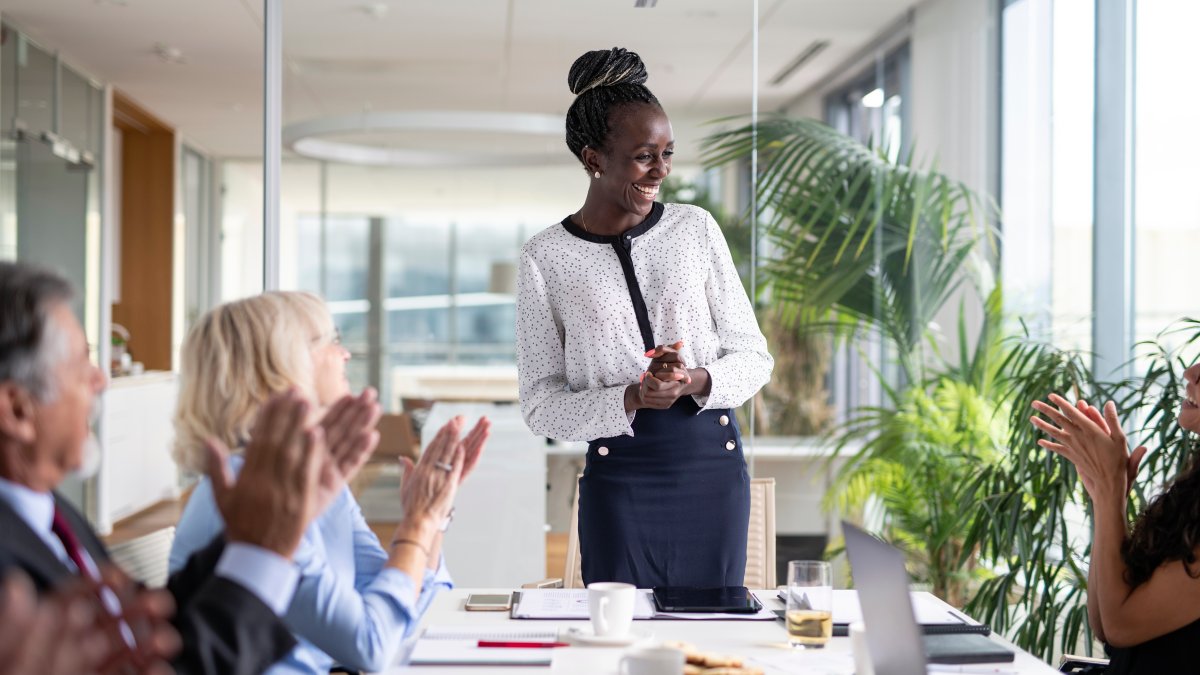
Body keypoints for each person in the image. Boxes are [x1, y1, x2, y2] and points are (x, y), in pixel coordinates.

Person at [516, 47, 773, 589]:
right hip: (619, 475)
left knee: (710, 634)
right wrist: (630, 398)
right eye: (643, 155)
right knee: (617, 636)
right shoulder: (546, 256)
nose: (661, 170)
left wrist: (695, 381)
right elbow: (540, 405)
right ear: (594, 158)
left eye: (667, 153)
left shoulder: (695, 229)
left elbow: (754, 356)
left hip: (711, 468)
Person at [0, 260, 336, 675]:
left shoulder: (50, 512)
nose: (101, 380)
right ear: (17, 410)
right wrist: (262, 553)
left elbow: (154, 633)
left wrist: (253, 534)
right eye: (81, 365)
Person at [168, 291, 490, 675]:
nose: (345, 355)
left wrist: (433, 514)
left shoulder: (314, 483)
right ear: (284, 365)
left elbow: (405, 610)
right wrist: (418, 522)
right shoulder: (247, 494)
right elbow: (370, 645)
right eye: (331, 340)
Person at [1031, 364, 1200, 674]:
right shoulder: (1191, 490)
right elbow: (1104, 625)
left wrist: (1111, 488)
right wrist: (1106, 496)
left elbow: (1121, 626)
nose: (1192, 373)